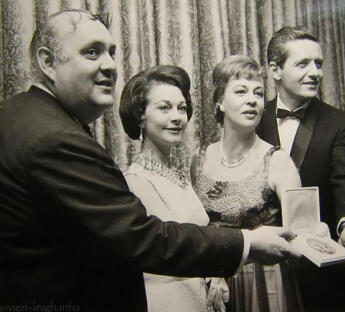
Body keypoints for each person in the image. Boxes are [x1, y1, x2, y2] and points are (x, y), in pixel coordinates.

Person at [0, 10, 301, 312]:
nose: (109, 65)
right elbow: (140, 238)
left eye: (112, 53)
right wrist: (247, 244)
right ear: (48, 62)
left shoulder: (23, 117)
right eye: (91, 52)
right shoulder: (55, 138)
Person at [256, 26, 345, 312]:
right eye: (303, 63)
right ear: (275, 69)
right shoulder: (253, 120)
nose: (315, 72)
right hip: (265, 270)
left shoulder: (340, 123)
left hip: (320, 272)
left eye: (318, 63)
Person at [193, 55, 304, 312]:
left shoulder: (278, 161)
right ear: (220, 101)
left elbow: (300, 239)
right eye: (241, 91)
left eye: (258, 93)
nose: (252, 100)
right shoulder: (198, 159)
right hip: (210, 282)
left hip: (263, 286)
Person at [119, 65, 227, 311]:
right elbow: (168, 250)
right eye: (164, 108)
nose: (178, 117)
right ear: (141, 116)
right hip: (165, 300)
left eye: (182, 108)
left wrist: (215, 274)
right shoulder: (135, 181)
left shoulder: (178, 174)